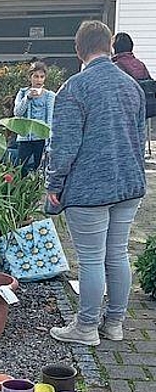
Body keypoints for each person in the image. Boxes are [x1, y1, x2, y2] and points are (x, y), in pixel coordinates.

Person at [46, 20, 146, 346]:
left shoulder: (74, 88)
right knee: (117, 254)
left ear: (78, 49)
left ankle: (86, 327)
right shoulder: (133, 86)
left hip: (90, 188)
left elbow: (64, 147)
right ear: (111, 46)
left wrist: (54, 185)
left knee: (90, 260)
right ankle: (115, 323)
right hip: (129, 184)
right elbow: (139, 138)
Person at [13, 61, 56, 175]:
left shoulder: (49, 95)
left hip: (41, 138)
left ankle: (37, 192)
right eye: (36, 76)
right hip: (24, 137)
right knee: (20, 168)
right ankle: (20, 191)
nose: (39, 80)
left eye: (42, 77)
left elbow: (50, 119)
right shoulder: (22, 93)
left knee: (41, 170)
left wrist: (49, 141)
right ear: (30, 77)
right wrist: (28, 98)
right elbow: (17, 112)